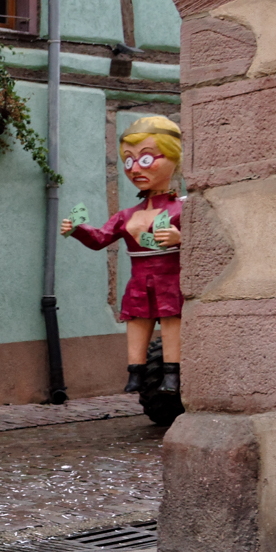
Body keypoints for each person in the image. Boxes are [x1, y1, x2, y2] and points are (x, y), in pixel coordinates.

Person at [61, 115, 184, 394]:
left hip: (169, 279)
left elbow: (206, 245)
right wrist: (78, 229)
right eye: (128, 161)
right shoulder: (126, 215)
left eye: (145, 158)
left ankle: (172, 375)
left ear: (173, 158)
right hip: (139, 281)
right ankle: (135, 373)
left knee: (170, 323)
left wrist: (181, 238)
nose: (134, 169)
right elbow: (99, 239)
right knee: (137, 324)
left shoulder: (183, 209)